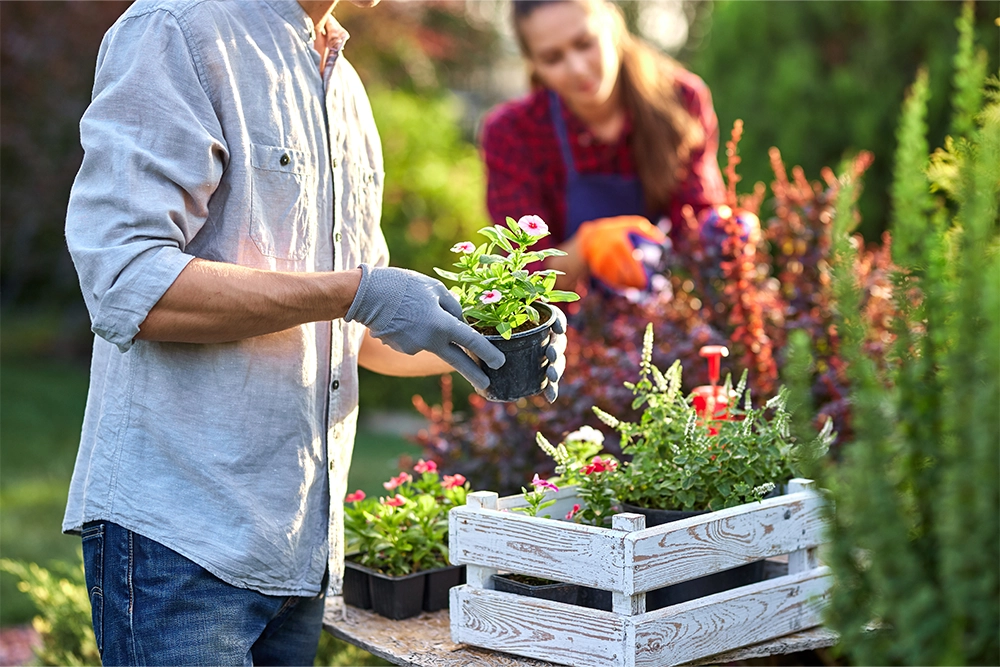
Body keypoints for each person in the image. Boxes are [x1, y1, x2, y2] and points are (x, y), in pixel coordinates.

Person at [61, 1, 565, 664]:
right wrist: (355, 291)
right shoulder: (177, 31)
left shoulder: (342, 84)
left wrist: (478, 346)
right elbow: (128, 280)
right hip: (180, 545)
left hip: (296, 554)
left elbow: (354, 330)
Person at [481, 0, 728, 295]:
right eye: (552, 58)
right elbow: (524, 277)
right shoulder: (511, 134)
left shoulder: (680, 101)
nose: (577, 68)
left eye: (585, 43)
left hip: (668, 307)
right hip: (571, 328)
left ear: (612, 24)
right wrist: (585, 247)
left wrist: (724, 233)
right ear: (533, 63)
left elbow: (695, 223)